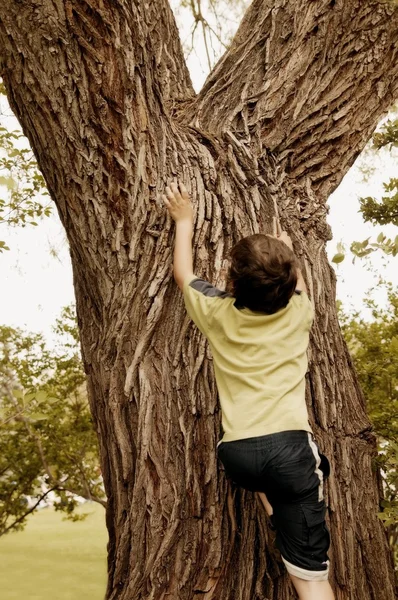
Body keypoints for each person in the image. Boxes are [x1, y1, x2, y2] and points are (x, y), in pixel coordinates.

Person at [162, 181, 335, 600]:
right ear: (291, 279)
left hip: (238, 454)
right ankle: (295, 536)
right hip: (290, 451)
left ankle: (283, 519)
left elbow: (184, 274)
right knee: (312, 579)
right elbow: (298, 286)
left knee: (271, 481)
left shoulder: (217, 313)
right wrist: (285, 250)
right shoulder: (301, 312)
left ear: (233, 285)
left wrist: (183, 220)